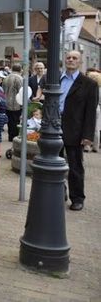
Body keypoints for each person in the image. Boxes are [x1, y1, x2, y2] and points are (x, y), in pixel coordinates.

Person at [59, 51, 98, 211]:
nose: (71, 60)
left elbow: (91, 112)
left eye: (74, 58)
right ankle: (60, 193)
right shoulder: (57, 79)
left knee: (75, 166)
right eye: (68, 57)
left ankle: (77, 198)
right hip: (54, 128)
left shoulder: (89, 84)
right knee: (54, 163)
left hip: (75, 130)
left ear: (80, 62)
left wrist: (88, 136)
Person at [2, 64, 23, 141]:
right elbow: (21, 92)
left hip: (6, 102)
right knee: (15, 121)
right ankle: (14, 137)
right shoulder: (19, 78)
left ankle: (10, 136)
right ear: (20, 69)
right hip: (16, 103)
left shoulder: (6, 78)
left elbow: (3, 90)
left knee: (10, 121)